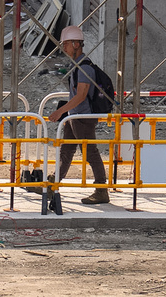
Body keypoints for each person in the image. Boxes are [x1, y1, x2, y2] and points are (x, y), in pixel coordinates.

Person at [45, 25, 109, 205]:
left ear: (76, 44)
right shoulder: (78, 66)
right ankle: (53, 183)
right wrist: (66, 114)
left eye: (65, 44)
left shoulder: (85, 68)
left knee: (91, 154)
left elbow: (81, 96)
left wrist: (60, 111)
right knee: (66, 152)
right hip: (74, 117)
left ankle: (101, 190)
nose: (63, 48)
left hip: (82, 118)